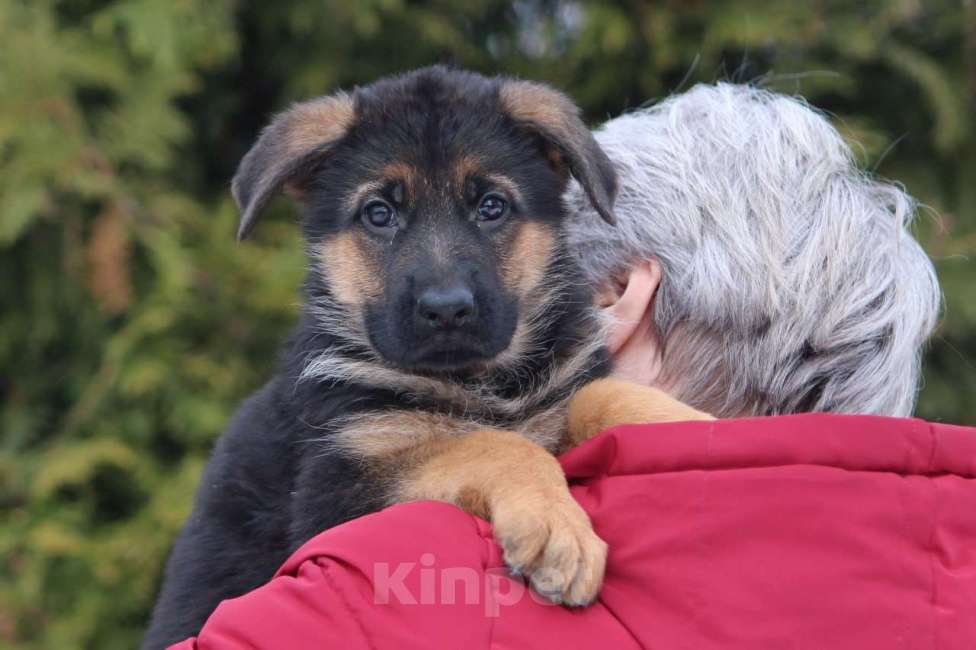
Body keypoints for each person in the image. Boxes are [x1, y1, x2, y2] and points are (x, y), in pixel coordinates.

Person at [165, 84, 974, 650]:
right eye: (380, 214)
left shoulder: (415, 599)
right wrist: (515, 461)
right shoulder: (938, 563)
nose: (444, 286)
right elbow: (359, 494)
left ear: (621, 293)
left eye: (492, 208)